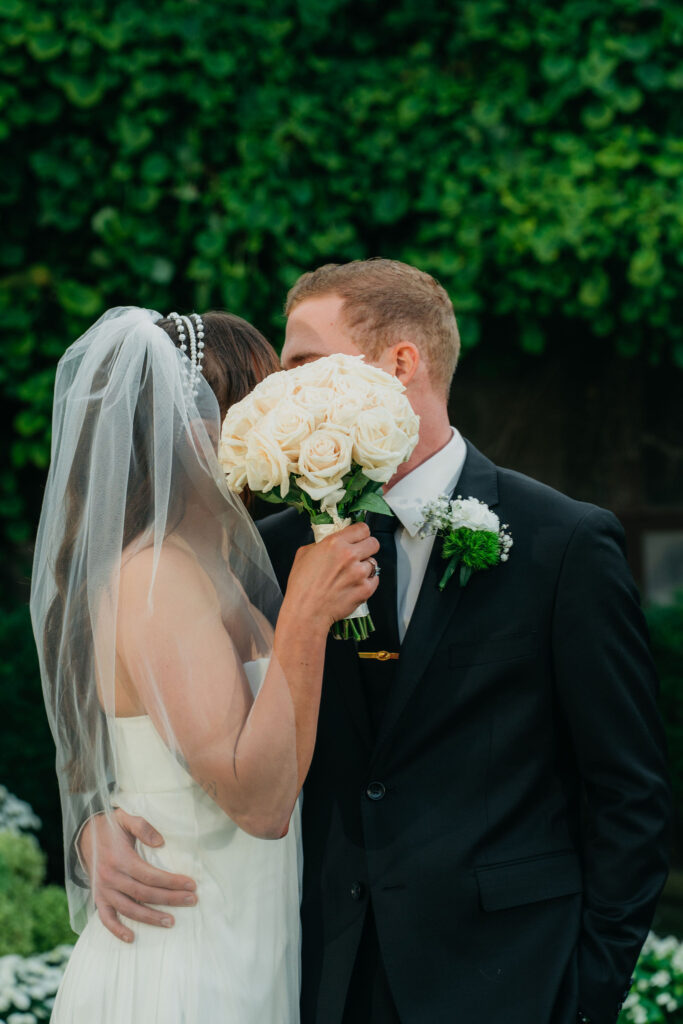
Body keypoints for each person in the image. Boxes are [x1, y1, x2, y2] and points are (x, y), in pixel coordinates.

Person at [82, 262, 671, 1024]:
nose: (277, 392)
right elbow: (159, 711)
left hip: (505, 982)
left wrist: (584, 999)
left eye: (303, 364)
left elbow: (629, 795)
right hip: (318, 977)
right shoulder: (267, 552)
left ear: (399, 365)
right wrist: (93, 825)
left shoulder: (563, 544)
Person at [30, 306, 380, 1024]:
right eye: (262, 404)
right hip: (183, 960)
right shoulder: (156, 577)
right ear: (198, 431)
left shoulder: (225, 561)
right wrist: (306, 616)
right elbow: (258, 804)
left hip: (252, 945)